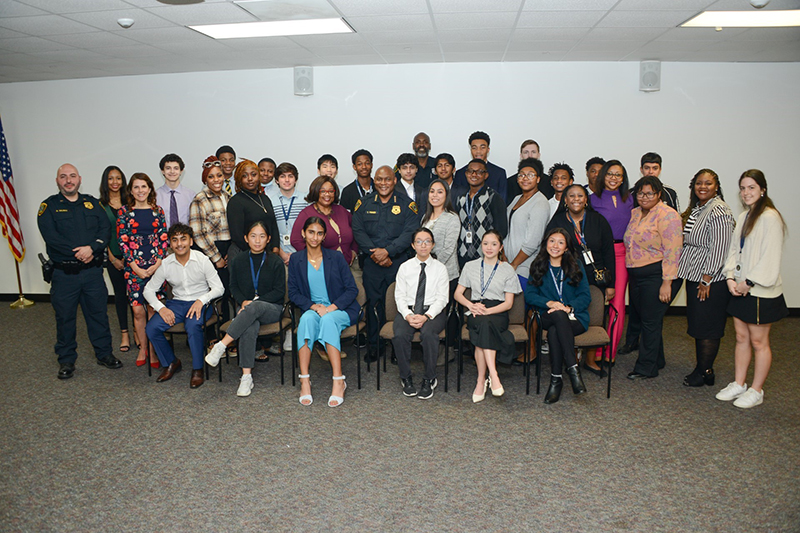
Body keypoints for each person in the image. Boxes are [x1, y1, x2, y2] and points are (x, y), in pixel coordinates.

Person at [38, 163, 123, 380]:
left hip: (92, 273)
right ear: (57, 181)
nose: (68, 180)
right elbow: (51, 237)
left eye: (72, 176)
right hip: (64, 275)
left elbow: (105, 229)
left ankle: (104, 354)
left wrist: (92, 248)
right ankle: (66, 361)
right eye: (64, 176)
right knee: (65, 318)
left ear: (79, 179)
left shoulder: (92, 204)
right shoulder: (49, 207)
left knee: (98, 315)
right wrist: (79, 252)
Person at [717, 169, 787, 409]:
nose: (746, 192)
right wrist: (729, 278)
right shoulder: (746, 216)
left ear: (762, 190)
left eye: (751, 188)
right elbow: (734, 250)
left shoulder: (770, 217)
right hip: (739, 286)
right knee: (741, 338)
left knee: (759, 342)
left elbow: (770, 257)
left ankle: (757, 390)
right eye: (743, 188)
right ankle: (739, 383)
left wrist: (749, 282)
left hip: (759, 290)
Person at [205, 221, 286, 397]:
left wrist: (254, 303)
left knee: (254, 309)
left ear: (268, 239)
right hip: (248, 310)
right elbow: (233, 286)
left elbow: (279, 292)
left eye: (262, 236)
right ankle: (246, 376)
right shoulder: (239, 261)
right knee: (249, 325)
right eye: (253, 236)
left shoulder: (275, 261)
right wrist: (243, 302)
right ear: (246, 238)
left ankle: (222, 345)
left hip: (272, 308)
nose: (258, 240)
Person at [286, 217, 360, 407]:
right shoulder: (296, 259)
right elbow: (293, 292)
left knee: (328, 321)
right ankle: (304, 380)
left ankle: (338, 380)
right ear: (303, 233)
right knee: (306, 321)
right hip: (313, 308)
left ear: (324, 236)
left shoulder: (335, 257)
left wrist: (330, 308)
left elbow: (352, 289)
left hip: (339, 308)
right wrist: (314, 307)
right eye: (311, 232)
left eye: (319, 233)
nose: (315, 237)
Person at [352, 165, 419, 363]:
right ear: (374, 181)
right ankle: (375, 346)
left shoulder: (407, 205)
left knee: (399, 305)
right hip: (372, 263)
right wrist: (376, 254)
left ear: (395, 180)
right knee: (374, 304)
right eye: (379, 179)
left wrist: (388, 252)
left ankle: (397, 347)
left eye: (387, 179)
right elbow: (358, 229)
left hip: (398, 263)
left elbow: (410, 232)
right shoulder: (363, 204)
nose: (383, 183)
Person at [547, 184, 615, 376]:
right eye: (571, 196)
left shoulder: (598, 220)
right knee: (568, 313)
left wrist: (611, 285)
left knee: (594, 315)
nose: (576, 199)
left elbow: (609, 252)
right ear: (565, 200)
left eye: (580, 196)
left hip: (596, 276)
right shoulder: (558, 221)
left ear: (586, 199)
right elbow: (548, 246)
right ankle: (572, 356)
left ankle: (590, 360)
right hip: (568, 276)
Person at [144, 224, 224, 388]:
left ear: (191, 241)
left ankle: (197, 369)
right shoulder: (166, 263)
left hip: (201, 302)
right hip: (177, 304)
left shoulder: (202, 260)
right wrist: (161, 308)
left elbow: (219, 288)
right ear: (170, 244)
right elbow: (148, 290)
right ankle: (172, 362)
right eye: (175, 240)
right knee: (151, 328)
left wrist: (202, 300)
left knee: (193, 325)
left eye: (183, 239)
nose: (179, 244)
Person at [677, 169, 735, 388]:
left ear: (716, 186)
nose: (703, 187)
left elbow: (720, 247)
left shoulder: (719, 210)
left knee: (708, 326)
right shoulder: (700, 207)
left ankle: (705, 371)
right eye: (699, 183)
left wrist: (706, 278)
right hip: (696, 276)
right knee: (700, 325)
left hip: (710, 281)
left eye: (708, 183)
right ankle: (703, 369)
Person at [622, 152, 681, 353]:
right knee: (646, 319)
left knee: (650, 322)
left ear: (658, 194)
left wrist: (667, 282)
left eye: (649, 194)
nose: (644, 197)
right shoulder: (635, 213)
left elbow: (673, 250)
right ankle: (658, 360)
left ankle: (646, 367)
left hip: (655, 275)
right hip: (636, 275)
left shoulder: (668, 215)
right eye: (640, 194)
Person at [525, 228, 591, 403]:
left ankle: (556, 380)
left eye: (560, 242)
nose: (555, 245)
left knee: (555, 330)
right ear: (546, 243)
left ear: (567, 248)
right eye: (552, 241)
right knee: (557, 318)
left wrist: (568, 307)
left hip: (575, 318)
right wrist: (550, 303)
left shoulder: (575, 265)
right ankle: (573, 370)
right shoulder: (538, 265)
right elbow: (530, 295)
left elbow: (586, 296)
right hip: (547, 315)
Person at [454, 230, 521, 402]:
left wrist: (488, 311)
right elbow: (458, 294)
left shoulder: (507, 269)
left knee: (484, 326)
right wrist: (471, 305)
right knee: (483, 324)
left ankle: (481, 380)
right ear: (480, 245)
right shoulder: (470, 266)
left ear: (501, 247)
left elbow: (508, 303)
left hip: (497, 311)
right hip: (475, 307)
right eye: (485, 243)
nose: (489, 248)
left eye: (493, 244)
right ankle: (494, 376)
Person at [117, 172, 169, 369]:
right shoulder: (124, 213)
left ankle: (154, 350)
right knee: (138, 311)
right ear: (131, 190)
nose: (140, 191)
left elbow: (164, 240)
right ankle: (143, 347)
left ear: (150, 189)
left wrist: (157, 265)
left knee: (152, 309)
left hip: (156, 267)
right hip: (134, 269)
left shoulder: (158, 211)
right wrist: (135, 267)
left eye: (144, 186)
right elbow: (123, 242)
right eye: (136, 187)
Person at [393, 228, 450, 400]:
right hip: (409, 310)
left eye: (427, 241)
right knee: (400, 335)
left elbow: (442, 298)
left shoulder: (440, 269)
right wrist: (408, 315)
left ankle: (429, 378)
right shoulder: (405, 267)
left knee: (429, 334)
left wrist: (427, 316)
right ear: (413, 245)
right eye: (419, 241)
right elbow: (399, 295)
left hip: (433, 311)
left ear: (432, 245)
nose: (423, 245)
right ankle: (406, 377)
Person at [589, 160, 633, 361]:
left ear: (623, 179)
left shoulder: (631, 199)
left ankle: (609, 352)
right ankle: (593, 350)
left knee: (617, 305)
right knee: (596, 302)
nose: (613, 178)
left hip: (622, 253)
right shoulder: (591, 199)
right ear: (602, 176)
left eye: (618, 175)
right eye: (610, 174)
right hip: (598, 255)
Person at [421, 178, 460, 364]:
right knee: (432, 310)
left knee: (448, 312)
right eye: (432, 191)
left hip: (447, 274)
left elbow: (448, 249)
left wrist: (432, 268)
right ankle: (432, 346)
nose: (435, 195)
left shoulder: (452, 218)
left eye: (440, 192)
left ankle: (449, 349)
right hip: (427, 274)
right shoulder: (425, 218)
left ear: (446, 195)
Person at [189, 156, 233, 323]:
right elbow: (198, 233)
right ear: (205, 179)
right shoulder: (199, 199)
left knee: (226, 293)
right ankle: (211, 337)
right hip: (210, 253)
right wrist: (217, 258)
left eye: (219, 175)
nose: (216, 180)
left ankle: (226, 335)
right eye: (211, 176)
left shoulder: (228, 196)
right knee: (211, 295)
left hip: (227, 250)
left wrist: (229, 253)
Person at [98, 165, 131, 353]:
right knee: (120, 295)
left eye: (118, 178)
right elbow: (100, 234)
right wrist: (112, 258)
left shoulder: (130, 201)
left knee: (137, 297)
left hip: (133, 258)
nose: (115, 182)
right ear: (105, 181)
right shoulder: (99, 205)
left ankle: (138, 333)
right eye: (111, 178)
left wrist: (131, 259)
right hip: (114, 258)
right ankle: (125, 333)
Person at [291, 176, 358, 266]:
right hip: (322, 267)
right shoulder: (306, 214)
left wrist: (354, 251)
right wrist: (313, 257)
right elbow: (295, 240)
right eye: (322, 191)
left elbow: (357, 229)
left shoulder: (341, 210)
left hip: (347, 265)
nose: (327, 194)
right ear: (316, 191)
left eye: (331, 191)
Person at [455, 158, 508, 268]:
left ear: (486, 175)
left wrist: (493, 250)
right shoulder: (461, 198)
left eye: (479, 172)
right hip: (463, 254)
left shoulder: (493, 197)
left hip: (486, 256)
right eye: (470, 171)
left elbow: (501, 230)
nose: (474, 174)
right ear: (466, 174)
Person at [226, 159, 280, 265]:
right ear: (239, 179)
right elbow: (237, 236)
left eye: (253, 174)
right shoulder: (235, 202)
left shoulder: (264, 198)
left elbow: (273, 225)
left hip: (266, 254)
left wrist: (275, 248)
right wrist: (257, 252)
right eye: (245, 176)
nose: (250, 179)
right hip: (244, 255)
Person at [505, 158, 550, 284]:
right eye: (521, 175)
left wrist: (513, 264)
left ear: (538, 179)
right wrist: (505, 260)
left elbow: (533, 242)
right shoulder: (516, 198)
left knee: (521, 302)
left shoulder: (540, 203)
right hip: (508, 264)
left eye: (530, 175)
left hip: (524, 267)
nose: (525, 178)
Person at [266, 162, 308, 266]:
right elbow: (269, 229)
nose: (287, 180)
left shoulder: (306, 200)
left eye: (290, 176)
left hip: (304, 255)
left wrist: (300, 254)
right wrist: (282, 254)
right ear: (276, 180)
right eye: (282, 176)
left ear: (296, 179)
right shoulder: (270, 202)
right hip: (279, 255)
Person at [453, 131, 507, 202]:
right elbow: (456, 201)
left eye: (482, 147)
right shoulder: (460, 173)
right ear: (471, 150)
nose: (478, 151)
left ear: (488, 150)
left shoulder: (499, 173)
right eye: (474, 148)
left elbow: (502, 201)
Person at [155, 153, 194, 227]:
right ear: (162, 171)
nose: (172, 171)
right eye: (168, 168)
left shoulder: (191, 195)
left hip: (185, 237)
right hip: (163, 237)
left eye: (176, 168)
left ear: (181, 171)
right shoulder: (155, 196)